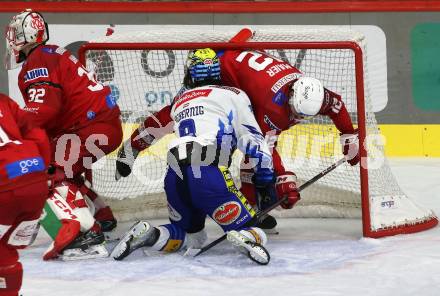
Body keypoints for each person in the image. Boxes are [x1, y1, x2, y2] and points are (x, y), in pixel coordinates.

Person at [116, 47, 359, 232]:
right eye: (295, 111)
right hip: (213, 69)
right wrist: (281, 177)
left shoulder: (312, 93)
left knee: (244, 149)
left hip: (240, 67)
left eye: (303, 116)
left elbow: (336, 104)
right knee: (180, 112)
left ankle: (250, 204)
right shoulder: (270, 104)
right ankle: (133, 147)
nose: (296, 117)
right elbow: (258, 143)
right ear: (290, 95)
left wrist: (349, 134)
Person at [111, 48, 274, 264]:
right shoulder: (235, 95)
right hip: (208, 170)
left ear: (190, 72)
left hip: (174, 175)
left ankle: (150, 234)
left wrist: (128, 153)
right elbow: (252, 139)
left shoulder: (180, 101)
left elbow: (152, 127)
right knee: (253, 228)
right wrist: (264, 178)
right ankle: (242, 233)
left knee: (191, 237)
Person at [4, 9, 123, 260]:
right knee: (64, 167)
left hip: (90, 128)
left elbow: (45, 109)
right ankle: (102, 216)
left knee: (49, 170)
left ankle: (83, 232)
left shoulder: (38, 60)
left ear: (27, 34)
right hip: (101, 125)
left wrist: (14, 127)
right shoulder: (52, 52)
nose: (12, 39)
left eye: (15, 33)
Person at [0, 93, 50, 296]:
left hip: (4, 184)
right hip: (34, 177)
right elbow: (37, 134)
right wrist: (41, 174)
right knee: (5, 249)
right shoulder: (3, 100)